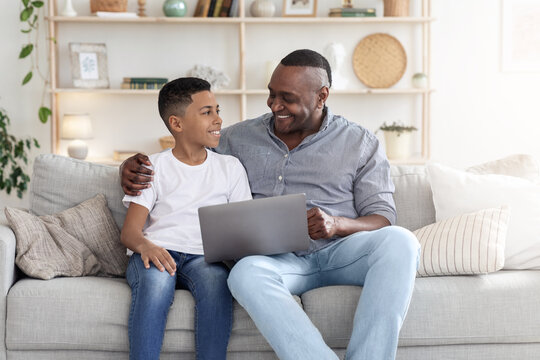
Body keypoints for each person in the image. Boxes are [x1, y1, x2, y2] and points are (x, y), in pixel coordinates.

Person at [121, 49, 420, 360]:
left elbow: (383, 217)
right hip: (278, 262)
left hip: (340, 254)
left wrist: (337, 224)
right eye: (271, 94)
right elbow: (184, 149)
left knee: (402, 241)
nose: (275, 105)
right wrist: (130, 167)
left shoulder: (361, 142)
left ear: (321, 97)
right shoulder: (237, 138)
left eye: (286, 98)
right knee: (243, 273)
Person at [120, 77, 252, 360]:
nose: (218, 119)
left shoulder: (230, 167)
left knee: (217, 283)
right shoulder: (153, 166)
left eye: (217, 110)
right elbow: (130, 233)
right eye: (207, 112)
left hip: (205, 259)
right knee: (155, 284)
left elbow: (244, 228)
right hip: (154, 255)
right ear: (177, 124)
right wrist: (147, 246)